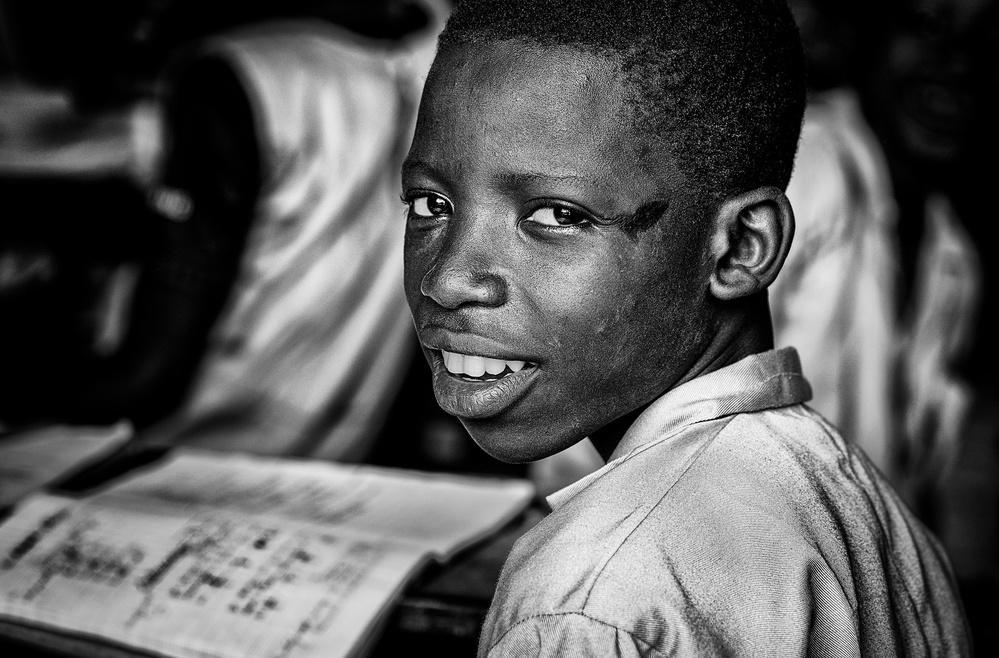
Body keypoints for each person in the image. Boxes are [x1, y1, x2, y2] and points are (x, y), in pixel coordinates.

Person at [399, 0, 971, 654]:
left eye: (557, 214)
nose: (446, 279)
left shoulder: (587, 607)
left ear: (738, 249)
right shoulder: (876, 519)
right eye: (430, 203)